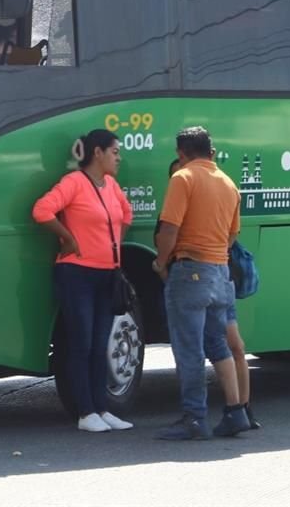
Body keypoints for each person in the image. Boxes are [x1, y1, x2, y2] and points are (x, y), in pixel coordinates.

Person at [32, 129, 134, 432]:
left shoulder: (112, 185)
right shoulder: (74, 183)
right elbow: (41, 210)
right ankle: (85, 411)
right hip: (77, 274)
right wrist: (67, 237)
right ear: (97, 153)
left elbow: (126, 215)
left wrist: (112, 244)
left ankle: (102, 409)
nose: (119, 157)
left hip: (107, 274)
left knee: (101, 343)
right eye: (114, 151)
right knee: (82, 342)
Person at [153, 127, 250, 439]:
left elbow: (169, 229)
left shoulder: (183, 178)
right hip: (220, 272)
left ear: (182, 153)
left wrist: (160, 261)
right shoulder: (228, 183)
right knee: (217, 344)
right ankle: (236, 412)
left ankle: (194, 418)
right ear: (211, 150)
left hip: (190, 271)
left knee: (189, 349)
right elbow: (233, 233)